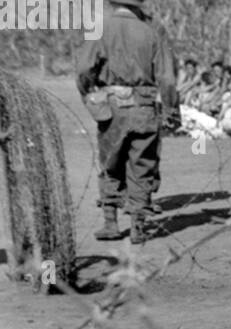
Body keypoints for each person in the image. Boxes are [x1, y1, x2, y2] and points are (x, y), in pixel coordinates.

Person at [77, 0, 177, 245]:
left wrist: (90, 95)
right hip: (144, 106)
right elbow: (167, 78)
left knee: (110, 162)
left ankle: (110, 223)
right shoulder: (153, 31)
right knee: (142, 163)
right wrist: (172, 111)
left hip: (111, 107)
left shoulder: (99, 27)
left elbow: (83, 69)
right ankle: (138, 226)